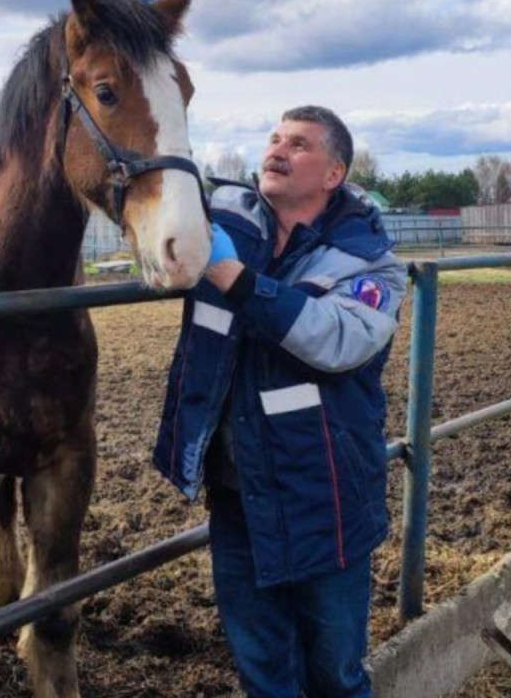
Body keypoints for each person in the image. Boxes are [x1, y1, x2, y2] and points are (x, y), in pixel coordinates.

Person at [154, 106, 407, 697]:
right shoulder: (223, 219)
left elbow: (336, 339)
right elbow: (146, 206)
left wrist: (232, 276)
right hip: (239, 497)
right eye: (273, 139)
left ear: (333, 173)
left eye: (297, 144)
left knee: (335, 675)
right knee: (263, 673)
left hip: (325, 498)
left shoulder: (370, 263)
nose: (276, 150)